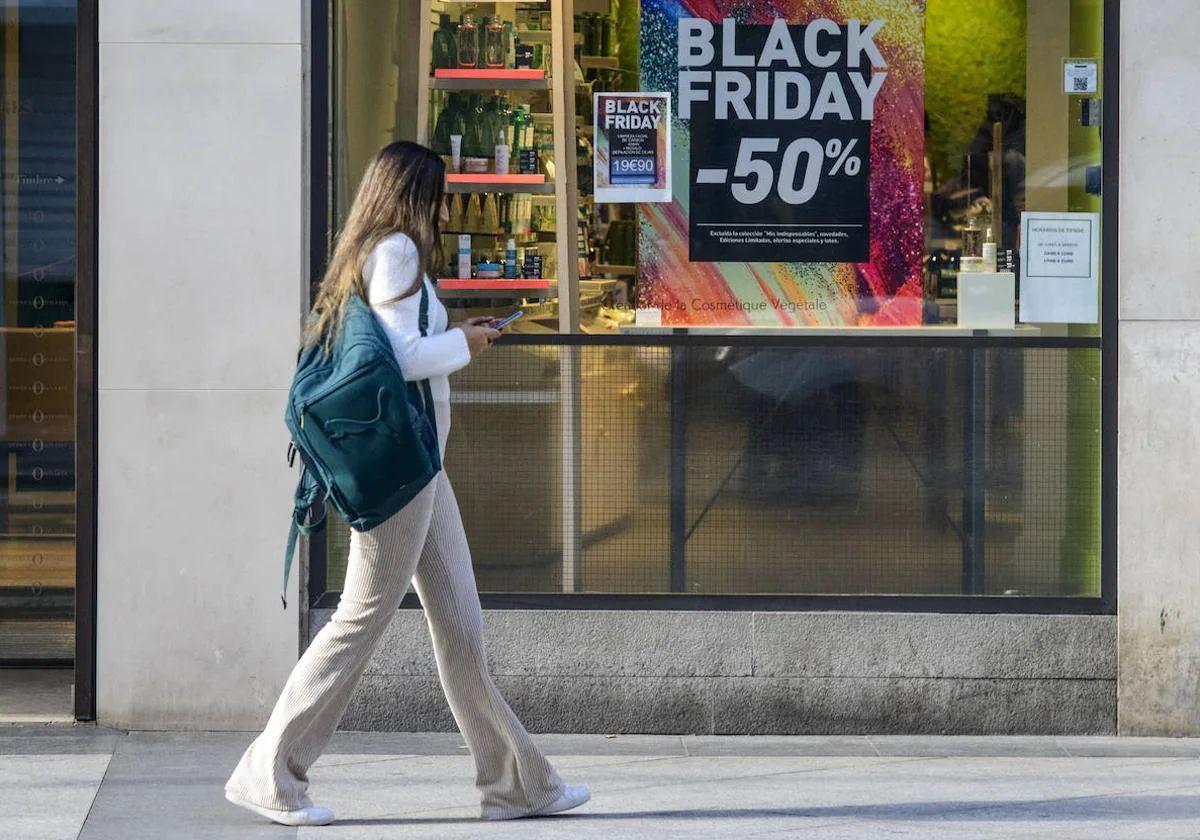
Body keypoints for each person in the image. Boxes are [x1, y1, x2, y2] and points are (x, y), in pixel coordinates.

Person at [223, 141, 590, 827]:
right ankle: (267, 771)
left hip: (423, 472)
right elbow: (401, 359)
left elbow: (402, 347)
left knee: (462, 631)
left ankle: (517, 784)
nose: (449, 207)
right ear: (414, 196)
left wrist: (456, 333)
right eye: (441, 194)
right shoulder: (396, 251)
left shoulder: (379, 251)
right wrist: (465, 346)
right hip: (402, 478)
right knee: (359, 623)